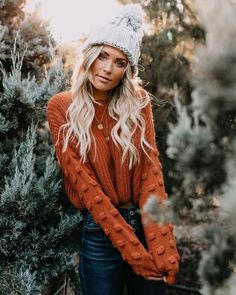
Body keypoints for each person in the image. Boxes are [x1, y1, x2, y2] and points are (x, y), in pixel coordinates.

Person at [47, 4, 180, 295]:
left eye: (120, 62)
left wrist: (161, 247)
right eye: (103, 56)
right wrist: (135, 256)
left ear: (127, 70)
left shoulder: (139, 102)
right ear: (90, 56)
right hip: (99, 233)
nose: (108, 68)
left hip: (144, 226)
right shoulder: (61, 107)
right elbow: (85, 186)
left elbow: (151, 174)